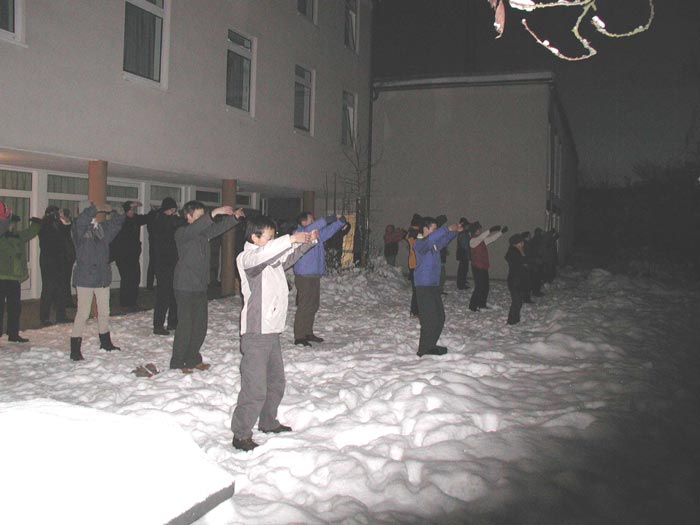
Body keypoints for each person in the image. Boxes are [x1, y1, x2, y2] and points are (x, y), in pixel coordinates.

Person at [231, 215, 316, 451]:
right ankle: (241, 434)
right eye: (268, 237)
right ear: (254, 237)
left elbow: (288, 257)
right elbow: (268, 254)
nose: (272, 241)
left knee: (276, 382)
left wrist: (308, 242)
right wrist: (291, 238)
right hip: (256, 333)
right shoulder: (248, 258)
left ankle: (268, 422)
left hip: (272, 332)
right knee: (255, 387)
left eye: (273, 237)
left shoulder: (269, 257)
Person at [170, 201, 245, 372]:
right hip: (184, 286)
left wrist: (234, 218)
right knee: (185, 326)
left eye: (203, 216)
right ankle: (177, 362)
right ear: (188, 217)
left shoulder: (203, 234)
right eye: (198, 216)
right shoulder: (182, 233)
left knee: (200, 327)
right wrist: (214, 213)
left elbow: (218, 228)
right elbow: (196, 228)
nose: (202, 220)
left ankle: (192, 358)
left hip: (200, 287)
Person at [69, 201, 126, 361]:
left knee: (104, 311)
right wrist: (96, 208)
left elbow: (115, 225)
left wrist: (120, 213)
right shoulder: (79, 229)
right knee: (83, 313)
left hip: (102, 277)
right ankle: (75, 348)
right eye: (90, 210)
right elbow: (82, 220)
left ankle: (105, 342)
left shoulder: (100, 229)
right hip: (85, 277)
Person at [292, 211, 347, 346]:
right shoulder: (300, 234)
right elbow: (314, 227)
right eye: (312, 219)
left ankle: (307, 332)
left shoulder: (316, 235)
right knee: (304, 305)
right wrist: (331, 218)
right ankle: (299, 336)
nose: (315, 221)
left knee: (313, 305)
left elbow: (329, 231)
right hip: (304, 275)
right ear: (303, 222)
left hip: (314, 275)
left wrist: (340, 222)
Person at [413, 216, 462, 357]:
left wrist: (455, 231)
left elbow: (443, 240)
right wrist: (447, 228)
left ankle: (431, 345)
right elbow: (433, 238)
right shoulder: (420, 243)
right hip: (423, 286)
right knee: (429, 319)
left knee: (440, 317)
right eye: (434, 229)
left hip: (433, 285)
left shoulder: (433, 244)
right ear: (425, 229)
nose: (436, 232)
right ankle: (424, 349)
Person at [0, 214, 41, 343]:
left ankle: (13, 334)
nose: (12, 226)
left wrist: (36, 224)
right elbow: (9, 250)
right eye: (10, 223)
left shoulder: (17, 235)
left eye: (13, 224)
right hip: (1, 277)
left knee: (15, 308)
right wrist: (15, 250)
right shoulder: (2, 237)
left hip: (14, 279)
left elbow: (29, 233)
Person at [109, 201, 152, 310]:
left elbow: (147, 218)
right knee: (127, 278)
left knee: (135, 278)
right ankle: (125, 303)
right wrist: (130, 204)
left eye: (133, 210)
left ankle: (132, 302)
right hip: (122, 255)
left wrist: (155, 210)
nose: (132, 212)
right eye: (130, 210)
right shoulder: (121, 220)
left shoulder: (136, 219)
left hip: (133, 255)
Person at [151, 197, 183, 335]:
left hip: (171, 262)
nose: (173, 212)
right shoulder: (161, 220)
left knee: (173, 294)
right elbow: (175, 223)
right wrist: (179, 217)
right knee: (163, 296)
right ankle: (158, 325)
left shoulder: (166, 219)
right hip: (163, 264)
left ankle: (172, 322)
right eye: (171, 210)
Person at [38, 206, 74, 325]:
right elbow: (48, 236)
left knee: (61, 289)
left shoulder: (58, 225)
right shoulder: (45, 225)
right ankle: (44, 317)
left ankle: (61, 316)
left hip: (60, 261)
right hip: (48, 262)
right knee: (48, 290)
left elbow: (66, 232)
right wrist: (53, 218)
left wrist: (65, 221)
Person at [468, 221, 508, 312]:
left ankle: (482, 304)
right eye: (478, 229)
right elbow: (480, 238)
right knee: (479, 287)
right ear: (474, 230)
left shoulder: (481, 241)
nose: (480, 230)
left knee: (485, 286)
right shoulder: (472, 241)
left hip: (483, 266)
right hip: (477, 267)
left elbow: (491, 239)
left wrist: (501, 232)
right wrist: (490, 230)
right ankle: (473, 306)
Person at [505, 233, 528, 325]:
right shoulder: (513, 252)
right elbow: (520, 263)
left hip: (519, 279)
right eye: (521, 242)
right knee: (516, 301)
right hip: (515, 280)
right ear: (516, 243)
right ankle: (511, 320)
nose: (523, 244)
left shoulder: (519, 251)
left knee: (519, 301)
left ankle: (516, 319)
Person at [405, 213, 422, 316]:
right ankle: (415, 310)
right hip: (417, 263)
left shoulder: (410, 232)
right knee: (417, 289)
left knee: (416, 288)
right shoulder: (417, 233)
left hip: (412, 262)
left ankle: (415, 309)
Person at [455, 217, 471, 290]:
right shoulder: (463, 234)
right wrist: (469, 252)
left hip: (463, 254)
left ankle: (462, 283)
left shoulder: (464, 233)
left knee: (463, 269)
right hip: (463, 254)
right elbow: (465, 246)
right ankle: (461, 284)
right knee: (463, 270)